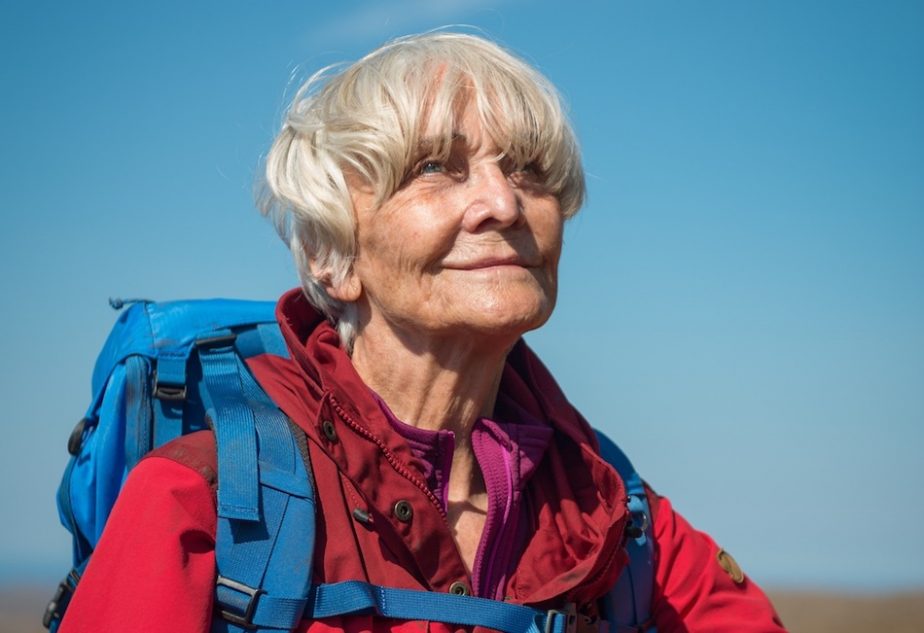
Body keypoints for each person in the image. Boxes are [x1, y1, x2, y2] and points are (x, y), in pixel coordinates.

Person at [59, 32, 786, 633]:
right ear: (333, 257)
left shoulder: (609, 509)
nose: (504, 203)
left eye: (529, 170)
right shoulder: (201, 500)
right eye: (435, 166)